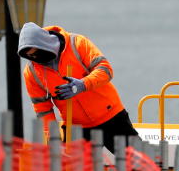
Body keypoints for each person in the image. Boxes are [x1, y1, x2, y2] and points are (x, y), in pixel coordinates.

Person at [18, 22, 139, 153]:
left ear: (45, 44)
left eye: (37, 53)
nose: (35, 58)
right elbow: (42, 108)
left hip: (111, 117)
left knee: (138, 163)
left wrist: (83, 84)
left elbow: (105, 70)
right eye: (30, 56)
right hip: (75, 126)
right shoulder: (32, 72)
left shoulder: (77, 43)